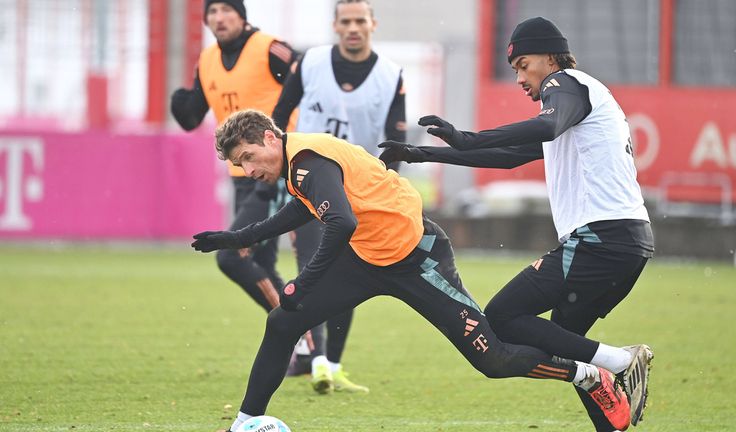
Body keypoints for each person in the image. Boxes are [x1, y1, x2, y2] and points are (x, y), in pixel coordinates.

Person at [191, 109, 643, 432]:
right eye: (239, 165)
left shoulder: (308, 161)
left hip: (416, 258)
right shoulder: (299, 164)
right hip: (366, 256)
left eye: (247, 156)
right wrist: (235, 239)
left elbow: (339, 221)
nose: (247, 169)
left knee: (494, 359)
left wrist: (301, 283)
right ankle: (247, 422)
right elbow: (303, 211)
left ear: (270, 137)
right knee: (283, 321)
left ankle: (588, 374)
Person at [379, 16, 654, 431]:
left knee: (504, 316)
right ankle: (610, 410)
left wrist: (470, 137)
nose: (521, 78)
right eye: (515, 71)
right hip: (625, 241)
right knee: (573, 352)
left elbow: (544, 125)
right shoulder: (578, 104)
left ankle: (622, 360)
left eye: (524, 65)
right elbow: (509, 156)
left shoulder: (566, 85)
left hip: (603, 238)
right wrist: (424, 154)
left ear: (550, 57)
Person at [268, 0, 407, 393]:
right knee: (313, 267)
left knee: (348, 274)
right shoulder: (309, 63)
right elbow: (278, 118)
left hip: (359, 194)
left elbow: (395, 143)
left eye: (360, 20)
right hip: (310, 188)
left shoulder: (391, 74)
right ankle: (318, 360)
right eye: (345, 21)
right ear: (335, 25)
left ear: (372, 24)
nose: (353, 27)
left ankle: (331, 363)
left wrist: (380, 186)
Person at [169, 1, 309, 335]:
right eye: (212, 12)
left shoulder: (268, 48)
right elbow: (192, 117)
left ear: (242, 14)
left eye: (226, 9)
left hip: (278, 171)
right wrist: (180, 101)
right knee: (260, 262)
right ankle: (303, 341)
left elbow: (308, 75)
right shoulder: (207, 60)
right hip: (242, 175)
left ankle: (297, 331)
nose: (219, 18)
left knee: (232, 255)